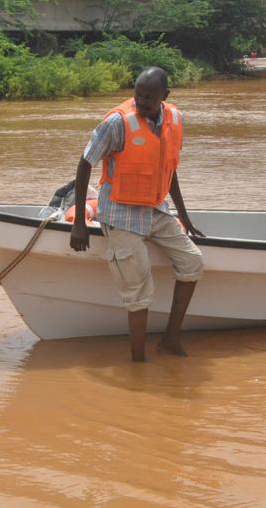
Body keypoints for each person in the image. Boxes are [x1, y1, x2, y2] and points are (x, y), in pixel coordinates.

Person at [69, 67, 205, 362]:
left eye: (149, 98)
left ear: (164, 97)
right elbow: (84, 165)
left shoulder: (174, 120)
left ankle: (170, 338)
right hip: (120, 214)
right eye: (138, 95)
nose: (141, 102)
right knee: (140, 293)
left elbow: (170, 170)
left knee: (192, 262)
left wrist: (184, 216)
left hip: (155, 209)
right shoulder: (117, 123)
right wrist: (79, 222)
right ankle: (138, 361)